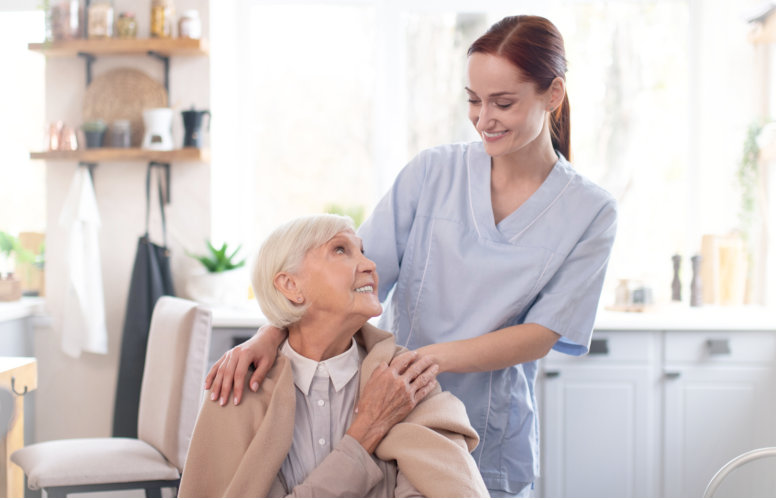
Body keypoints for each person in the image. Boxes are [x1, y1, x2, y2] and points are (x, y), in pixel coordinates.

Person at [203, 15, 617, 497]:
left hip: (491, 431)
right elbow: (349, 280)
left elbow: (542, 334)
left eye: (503, 103)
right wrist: (268, 334)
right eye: (473, 100)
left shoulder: (591, 211)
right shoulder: (432, 173)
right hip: (396, 416)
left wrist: (423, 362)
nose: (484, 119)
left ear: (553, 94)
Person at [179, 215, 488, 498]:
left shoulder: (404, 380)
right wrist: (365, 432)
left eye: (363, 251)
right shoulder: (237, 390)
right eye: (340, 250)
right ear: (290, 285)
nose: (369, 264)